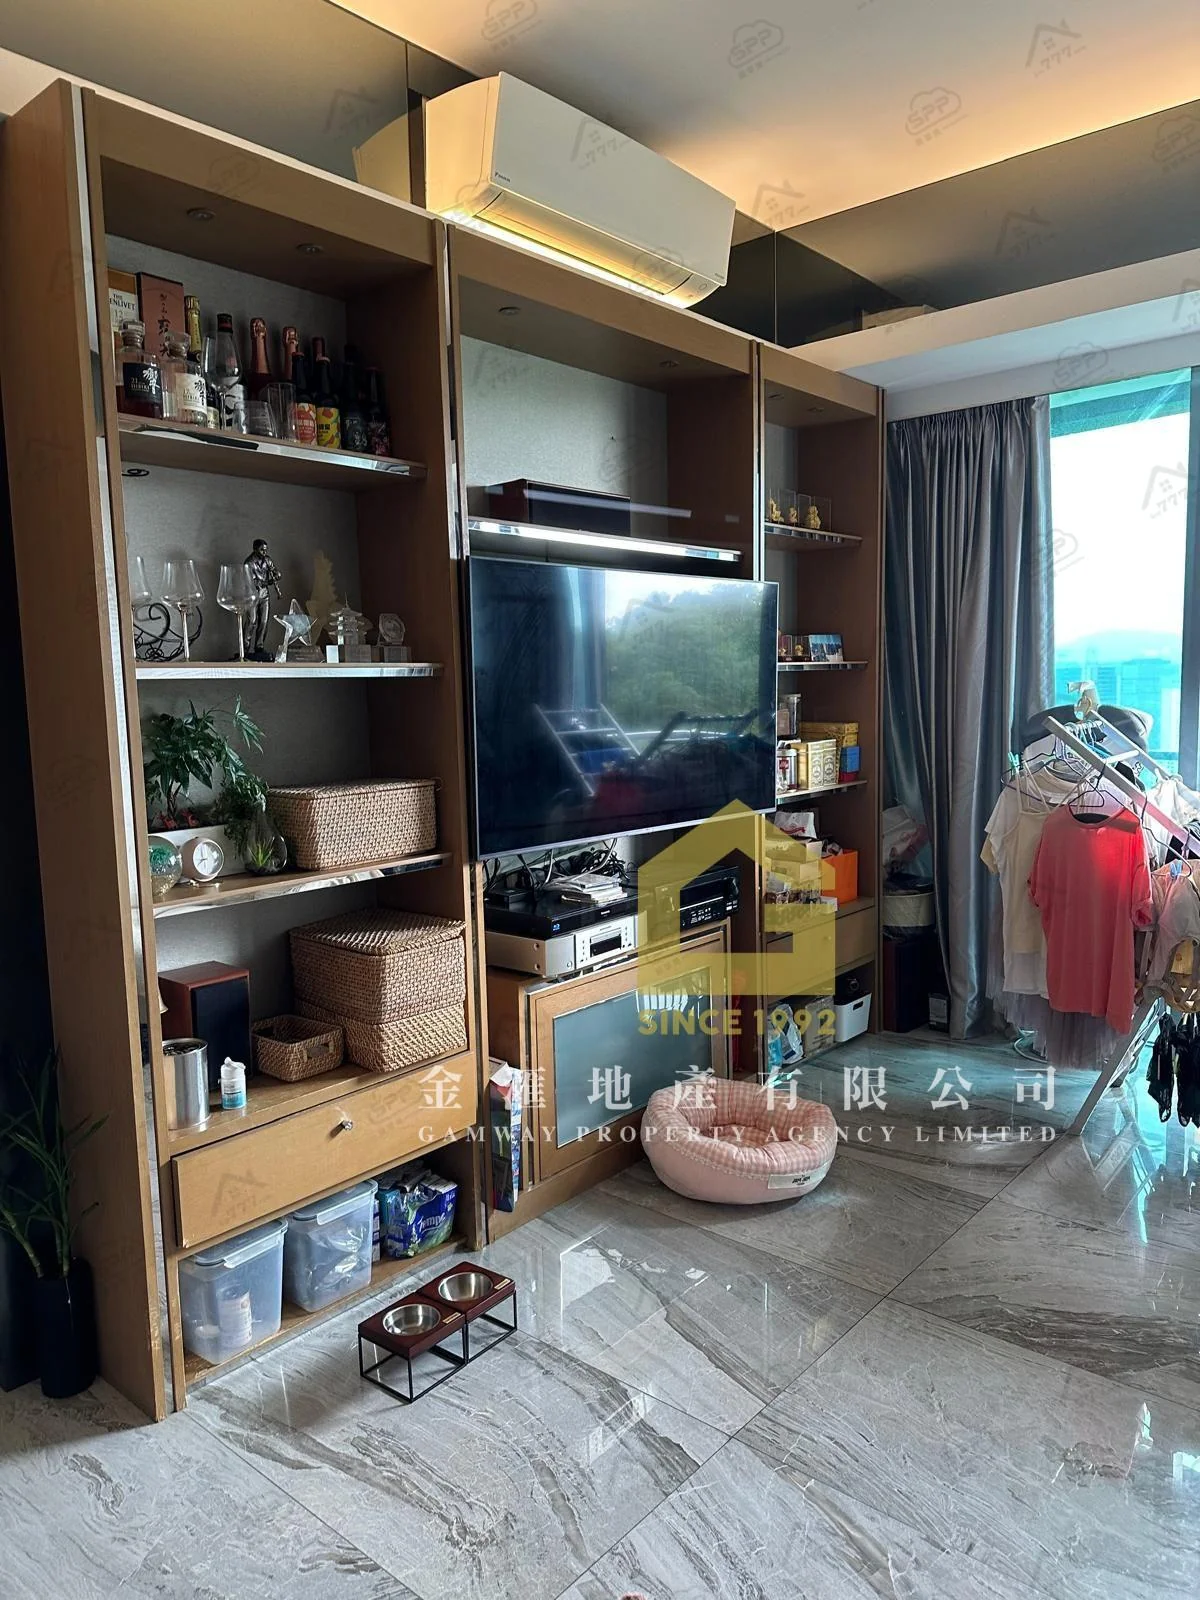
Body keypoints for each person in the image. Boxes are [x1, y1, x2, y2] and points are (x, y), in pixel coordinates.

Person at [243, 539, 282, 657]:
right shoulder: (248, 563)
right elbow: (250, 582)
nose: (264, 552)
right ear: (255, 549)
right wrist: (268, 582)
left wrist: (277, 574)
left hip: (264, 595)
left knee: (264, 622)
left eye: (266, 550)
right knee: (252, 621)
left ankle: (259, 647)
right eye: (262, 550)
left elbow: (274, 570)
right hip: (252, 595)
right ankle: (245, 648)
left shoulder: (267, 560)